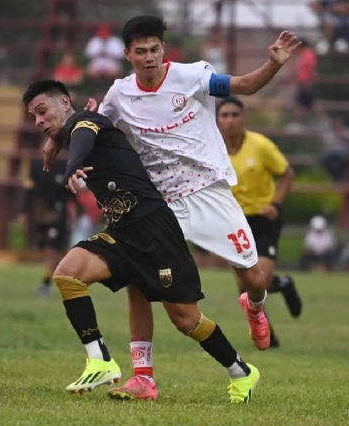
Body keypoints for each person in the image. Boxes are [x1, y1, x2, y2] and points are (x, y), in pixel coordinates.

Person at [43, 15, 300, 400]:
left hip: (208, 192)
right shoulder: (120, 93)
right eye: (141, 51)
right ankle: (143, 376)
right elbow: (92, 126)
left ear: (163, 49)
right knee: (136, 280)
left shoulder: (193, 75)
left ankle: (255, 307)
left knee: (252, 277)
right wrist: (58, 140)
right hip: (159, 203)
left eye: (155, 49)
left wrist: (274, 65)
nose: (149, 57)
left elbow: (243, 85)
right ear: (127, 54)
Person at [23, 79, 261, 403]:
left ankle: (241, 372)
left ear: (65, 102)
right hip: (122, 232)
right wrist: (59, 143)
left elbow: (82, 134)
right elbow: (75, 137)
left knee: (185, 319)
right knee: (68, 273)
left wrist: (72, 167)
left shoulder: (86, 122)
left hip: (154, 229)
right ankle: (102, 361)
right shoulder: (75, 129)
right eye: (33, 116)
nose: (38, 120)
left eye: (42, 110)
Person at [217, 96, 302, 348]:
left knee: (259, 280)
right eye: (225, 115)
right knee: (244, 284)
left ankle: (282, 284)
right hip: (233, 222)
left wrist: (275, 204)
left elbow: (287, 174)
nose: (230, 120)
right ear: (218, 121)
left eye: (234, 115)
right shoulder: (214, 150)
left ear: (243, 119)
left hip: (263, 219)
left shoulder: (260, 145)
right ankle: (268, 335)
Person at [20, 159, 74, 298]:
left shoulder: (64, 166)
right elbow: (29, 190)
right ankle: (71, 278)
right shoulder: (37, 166)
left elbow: (70, 191)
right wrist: (24, 211)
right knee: (57, 253)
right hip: (42, 215)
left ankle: (45, 285)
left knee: (52, 251)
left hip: (59, 216)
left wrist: (74, 207)